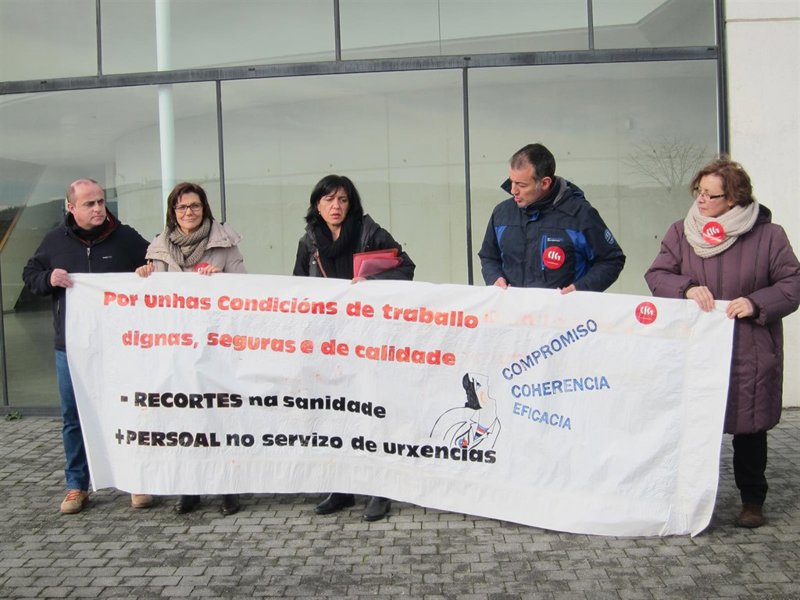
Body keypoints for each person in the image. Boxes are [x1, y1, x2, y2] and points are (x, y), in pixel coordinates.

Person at [645, 158, 800, 528]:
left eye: (710, 195)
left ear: (733, 199)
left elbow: (792, 284)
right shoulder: (682, 232)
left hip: (751, 349)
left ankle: (752, 501)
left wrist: (756, 302)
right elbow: (657, 274)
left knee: (749, 430)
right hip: (697, 350)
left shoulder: (769, 236)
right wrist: (686, 288)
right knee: (696, 428)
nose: (700, 200)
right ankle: (691, 501)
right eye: (698, 192)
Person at [22, 178, 154, 514]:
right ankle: (76, 485)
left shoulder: (126, 238)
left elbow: (156, 264)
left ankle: (136, 480)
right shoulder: (54, 241)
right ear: (71, 207)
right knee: (74, 416)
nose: (98, 209)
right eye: (89, 204)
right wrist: (48, 278)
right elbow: (30, 274)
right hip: (72, 347)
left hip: (120, 346)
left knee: (128, 409)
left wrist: (148, 270)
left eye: (101, 202)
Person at [293, 174, 415, 521]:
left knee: (371, 411)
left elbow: (406, 268)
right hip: (330, 341)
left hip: (367, 338)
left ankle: (380, 490)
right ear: (317, 204)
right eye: (329, 199)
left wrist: (371, 282)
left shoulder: (369, 233)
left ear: (352, 204)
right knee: (337, 413)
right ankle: (342, 487)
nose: (336, 206)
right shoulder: (309, 242)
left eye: (343, 200)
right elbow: (299, 287)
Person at [136, 181, 246, 516]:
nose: (189, 212)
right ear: (173, 211)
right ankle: (190, 488)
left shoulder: (225, 245)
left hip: (216, 347)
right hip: (177, 350)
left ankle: (227, 488)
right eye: (182, 207)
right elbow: (149, 299)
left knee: (220, 417)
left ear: (204, 208)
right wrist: (144, 275)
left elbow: (245, 290)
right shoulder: (158, 250)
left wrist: (222, 280)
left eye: (195, 206)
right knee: (183, 419)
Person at [479, 143, 625, 293]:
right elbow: (489, 257)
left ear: (544, 183)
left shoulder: (580, 215)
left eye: (521, 185)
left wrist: (581, 289)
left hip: (566, 308)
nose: (513, 190)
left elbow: (611, 260)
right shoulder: (502, 213)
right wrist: (494, 278)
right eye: (512, 181)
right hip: (513, 308)